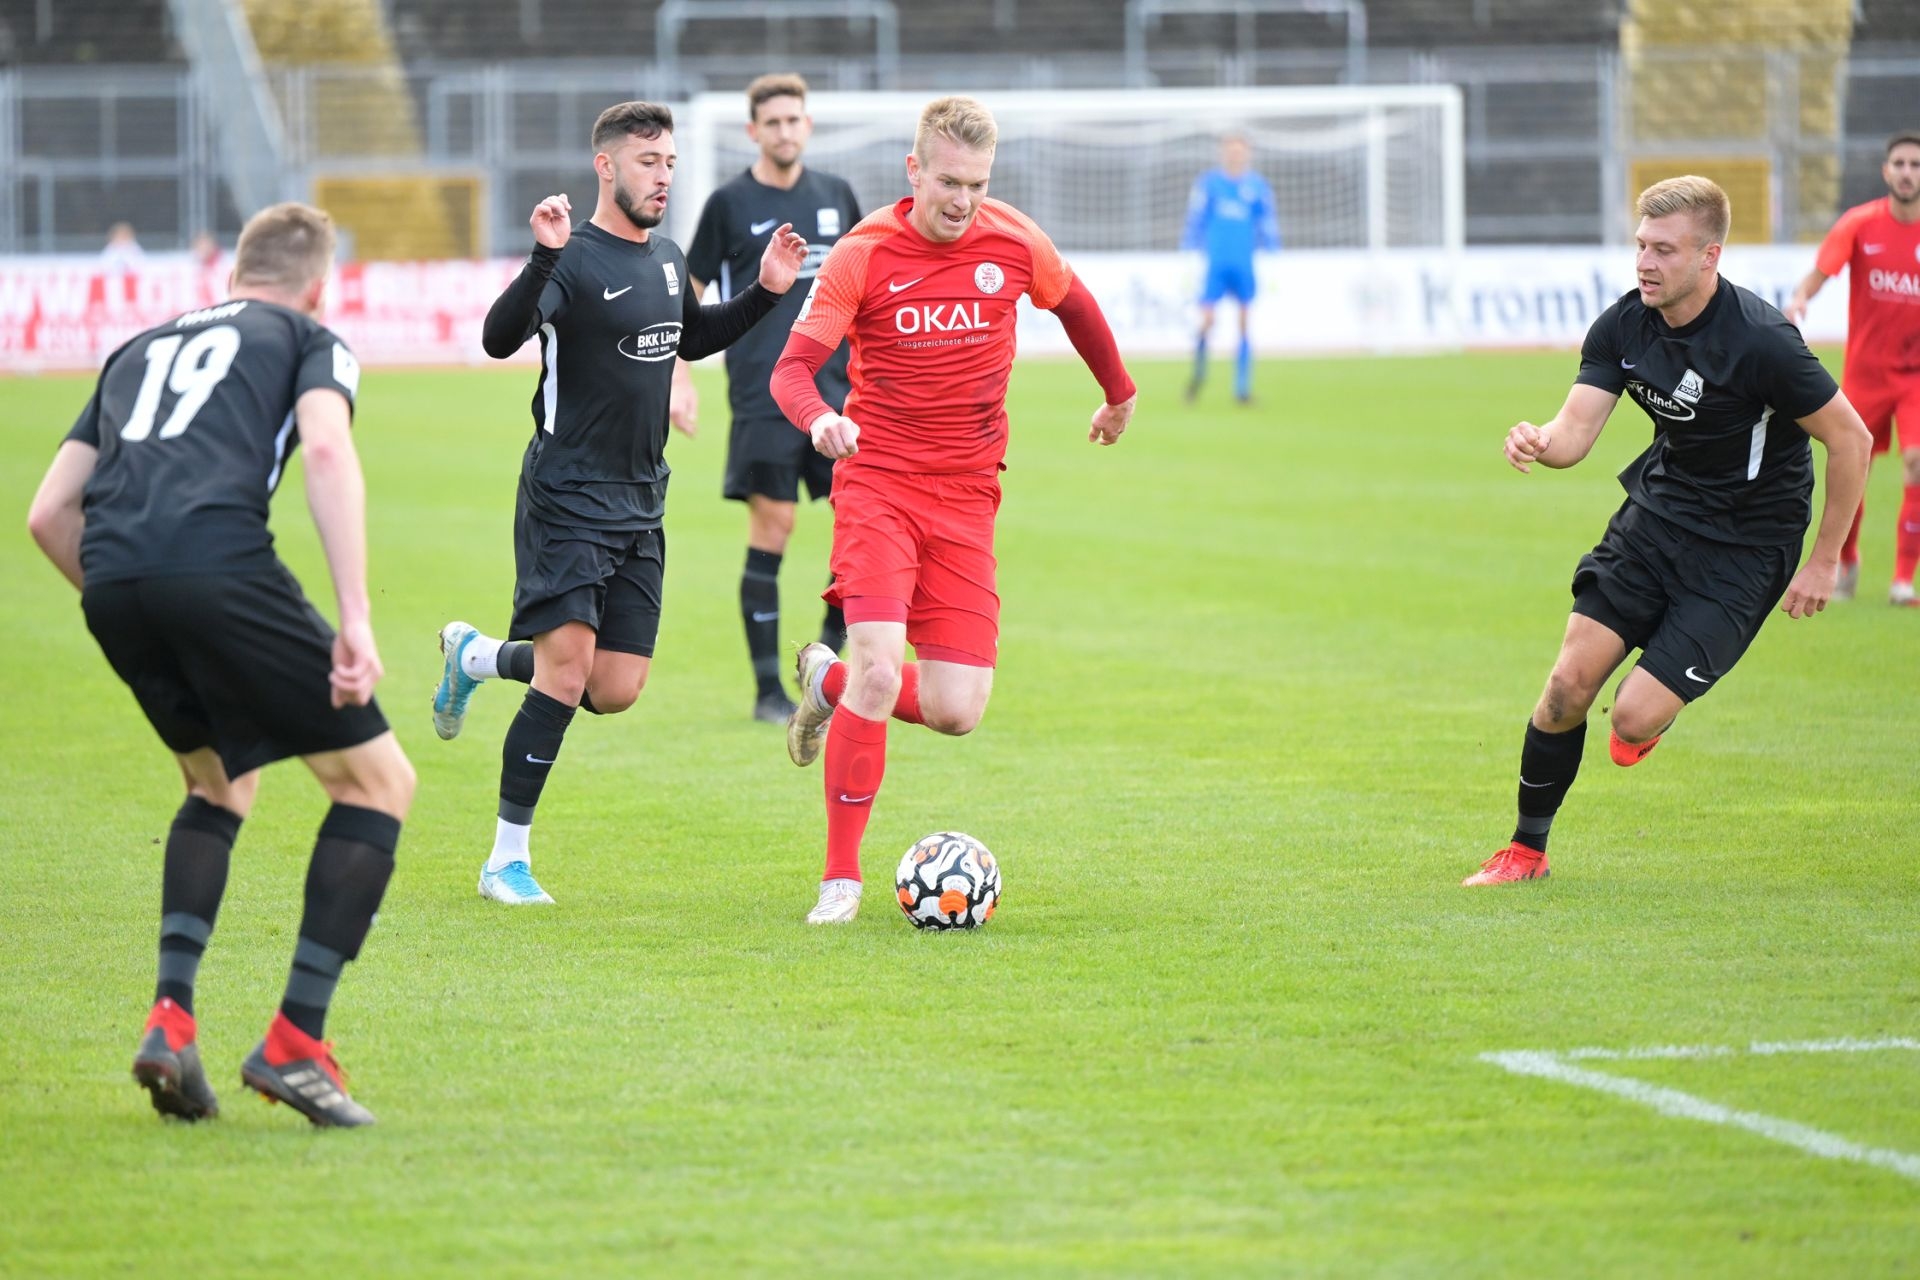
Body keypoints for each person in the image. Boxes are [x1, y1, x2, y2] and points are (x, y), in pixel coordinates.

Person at [26, 202, 415, 1126]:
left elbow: (47, 514)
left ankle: (171, 1021)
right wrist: (356, 617)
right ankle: (297, 1043)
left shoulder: (137, 349)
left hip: (112, 581)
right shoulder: (308, 337)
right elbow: (327, 449)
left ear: (235, 271)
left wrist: (130, 593)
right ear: (317, 287)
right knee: (377, 784)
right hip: (220, 568)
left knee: (217, 783)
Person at [770, 96, 1138, 924]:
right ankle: (840, 880)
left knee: (955, 710)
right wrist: (820, 418)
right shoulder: (864, 253)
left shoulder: (1013, 239)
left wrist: (1118, 394)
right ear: (915, 171)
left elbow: (1076, 305)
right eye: (948, 182)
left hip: (968, 496)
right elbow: (791, 370)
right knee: (879, 668)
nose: (963, 200)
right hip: (878, 485)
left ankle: (826, 681)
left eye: (977, 184)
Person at [429, 100, 808, 906]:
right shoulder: (571, 258)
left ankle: (477, 657)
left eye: (669, 163)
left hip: (641, 500)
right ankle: (504, 861)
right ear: (605, 167)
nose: (663, 176)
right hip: (566, 496)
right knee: (567, 673)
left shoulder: (666, 257)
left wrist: (767, 293)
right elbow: (498, 338)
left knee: (614, 687)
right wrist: (542, 256)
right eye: (647, 163)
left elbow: (689, 336)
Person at [1466, 176, 1871, 886]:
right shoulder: (1624, 325)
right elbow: (1574, 433)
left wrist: (1824, 560)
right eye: (1641, 246)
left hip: (1746, 548)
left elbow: (1852, 439)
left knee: (1630, 719)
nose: (1645, 263)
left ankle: (1651, 712)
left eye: (1664, 250)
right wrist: (1538, 440)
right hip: (1656, 520)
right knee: (1565, 688)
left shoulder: (1762, 342)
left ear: (1709, 256)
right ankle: (1526, 852)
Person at [673, 73, 863, 724]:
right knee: (773, 527)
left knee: (858, 530)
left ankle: (828, 672)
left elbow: (867, 282)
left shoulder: (837, 195)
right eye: (772, 122)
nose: (784, 131)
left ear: (807, 125)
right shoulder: (728, 203)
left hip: (840, 394)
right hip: (763, 392)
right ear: (754, 131)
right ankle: (767, 694)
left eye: (793, 120)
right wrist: (679, 376)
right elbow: (688, 293)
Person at [1783, 130, 1920, 606]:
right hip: (1866, 373)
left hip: (1916, 377)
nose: (1907, 172)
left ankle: (1902, 581)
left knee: (1916, 463)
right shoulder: (1861, 224)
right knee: (1852, 464)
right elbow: (1820, 272)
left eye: (1915, 165)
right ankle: (1847, 560)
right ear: (1886, 172)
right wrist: (1799, 299)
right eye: (1900, 164)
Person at [1181, 134, 1278, 405]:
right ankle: (1198, 378)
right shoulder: (1209, 184)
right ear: (1223, 154)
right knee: (1207, 321)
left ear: (1247, 155)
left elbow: (1267, 222)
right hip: (1216, 263)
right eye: (1231, 151)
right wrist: (1189, 250)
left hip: (1243, 263)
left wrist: (1273, 250)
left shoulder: (1257, 186)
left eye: (1240, 151)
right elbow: (1196, 220)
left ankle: (1242, 389)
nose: (1236, 156)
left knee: (1245, 323)